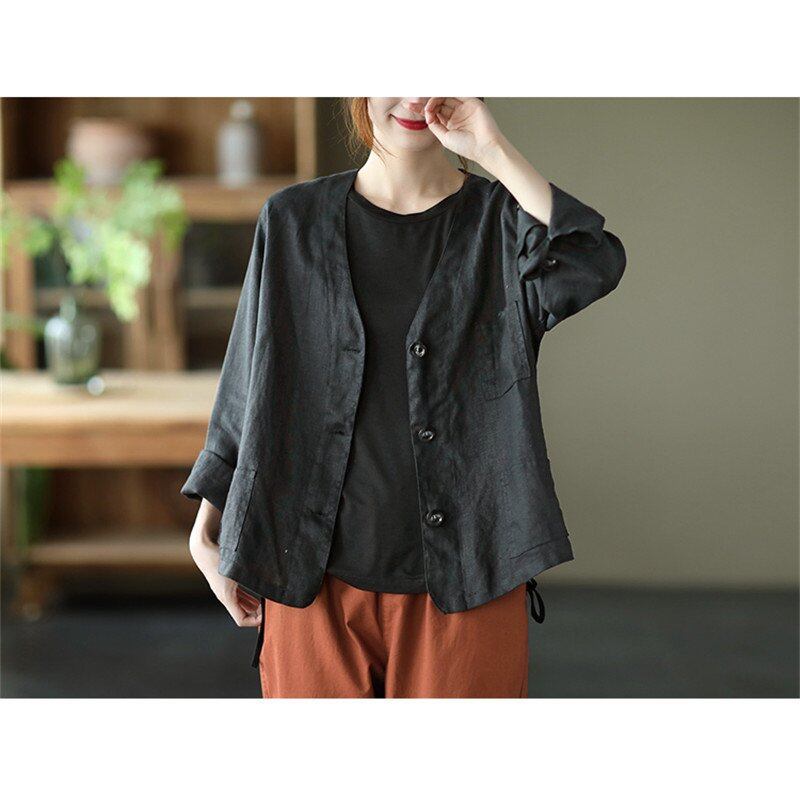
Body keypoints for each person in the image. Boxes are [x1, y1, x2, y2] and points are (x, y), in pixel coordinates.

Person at [183, 97, 626, 698]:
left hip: (471, 574)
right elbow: (249, 382)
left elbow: (592, 260)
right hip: (308, 574)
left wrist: (493, 151)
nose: (417, 96)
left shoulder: (504, 223)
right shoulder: (292, 220)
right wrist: (208, 522)